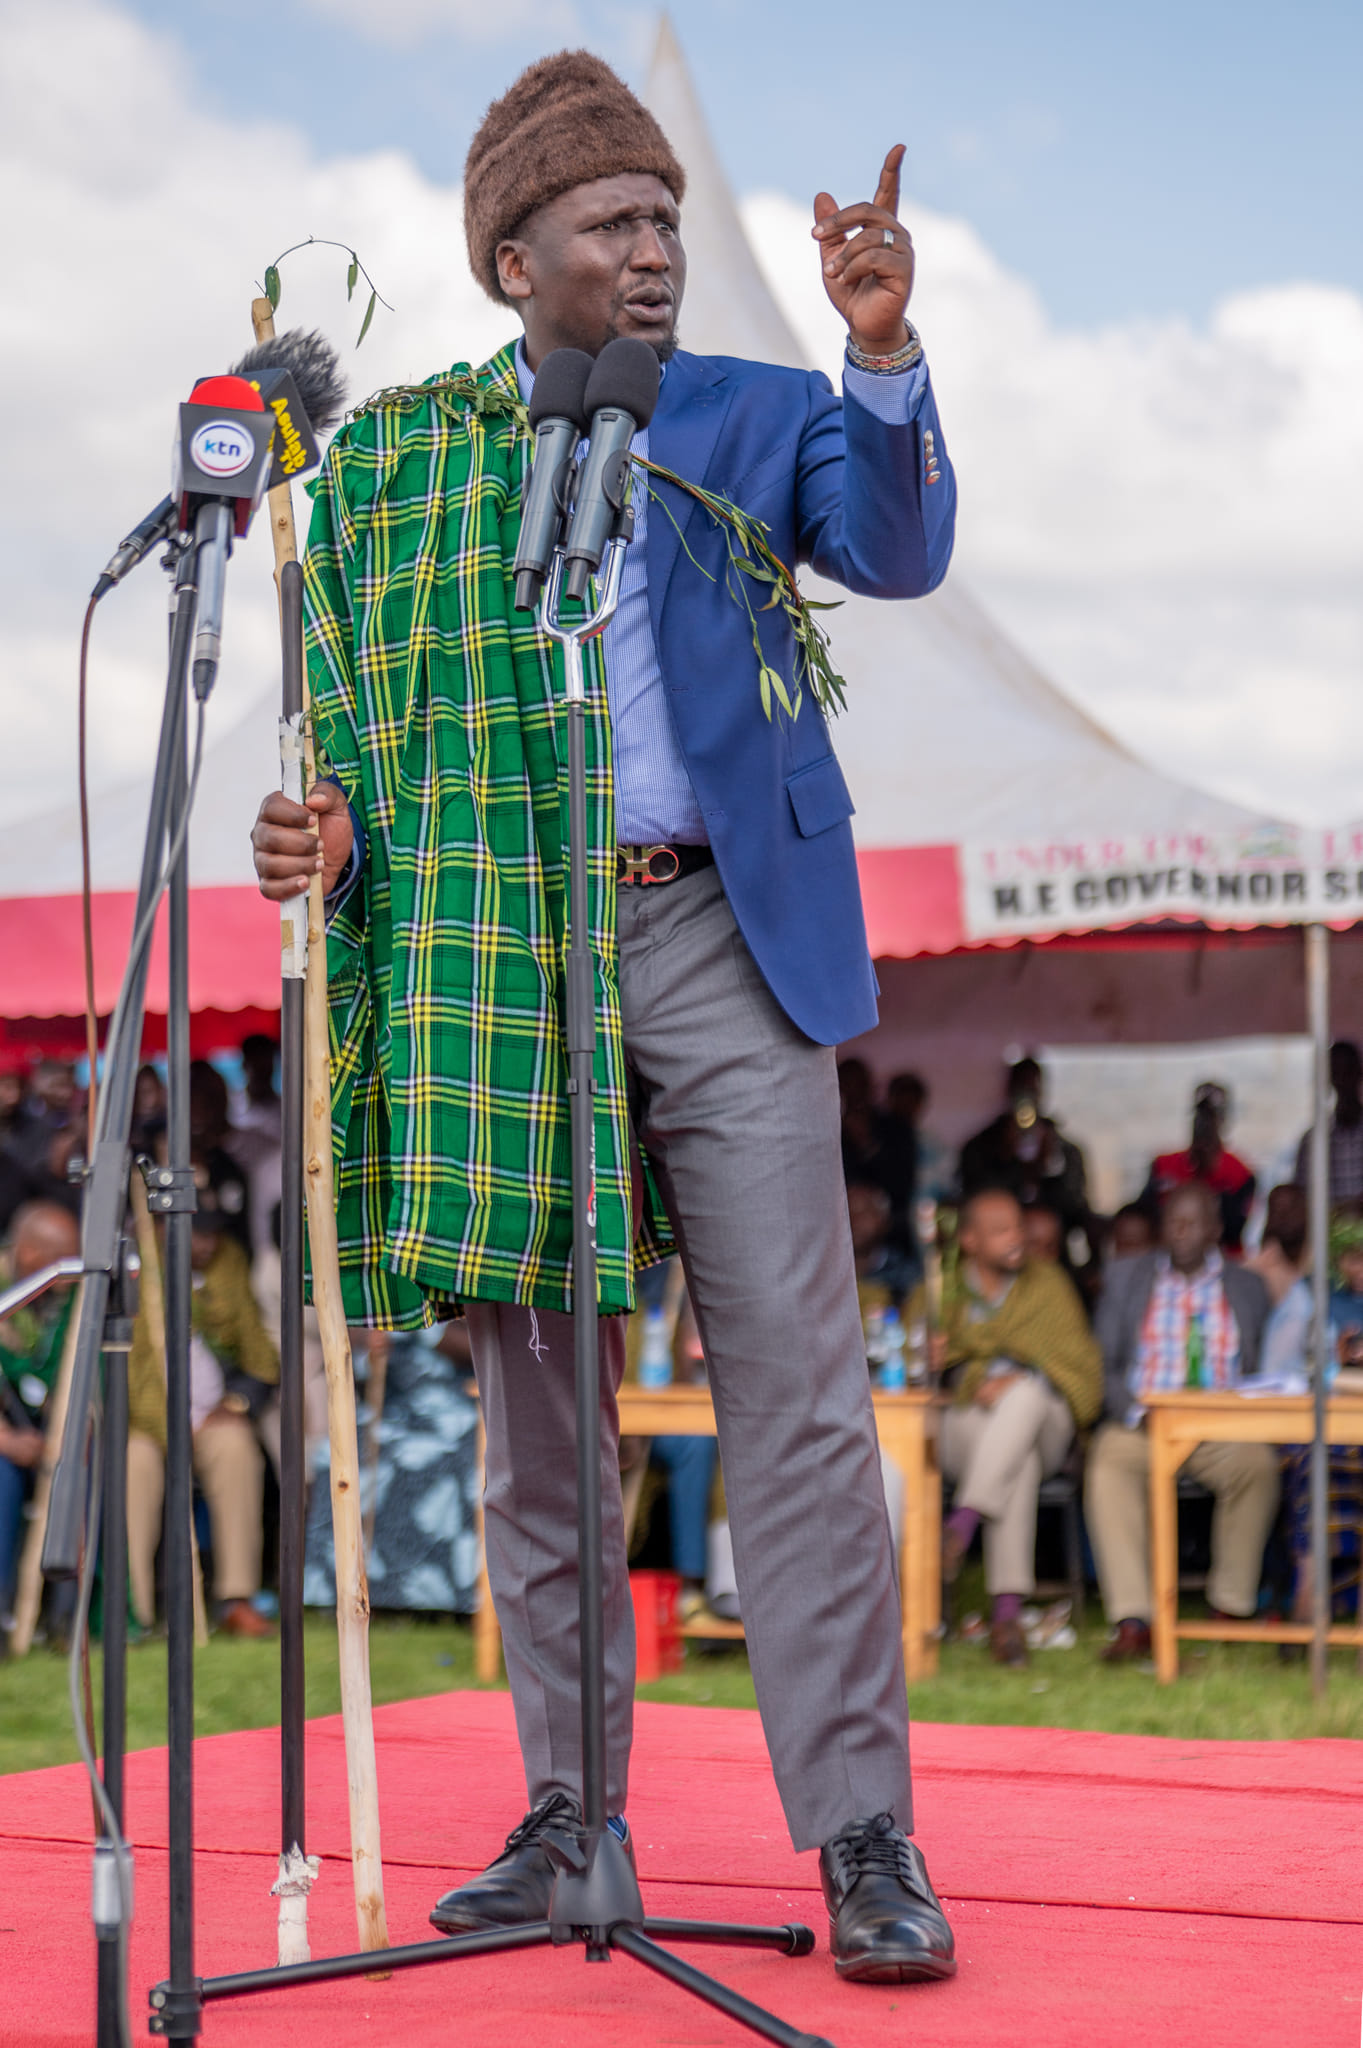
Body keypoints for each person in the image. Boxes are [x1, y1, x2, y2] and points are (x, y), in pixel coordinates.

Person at [250, 50, 957, 1985]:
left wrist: (880, 355)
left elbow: (895, 549)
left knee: (795, 1402)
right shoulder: (407, 469)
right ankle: (575, 1817)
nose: (654, 255)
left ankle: (863, 1835)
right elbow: (363, 730)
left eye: (662, 222)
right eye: (612, 227)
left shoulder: (755, 412)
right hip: (508, 950)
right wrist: (315, 832)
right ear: (510, 259)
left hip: (723, 935)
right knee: (539, 1413)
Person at [1085, 1182, 1277, 1662]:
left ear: (1216, 1229)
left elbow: (1263, 1370)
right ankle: (1134, 1620)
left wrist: (1236, 1413)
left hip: (1221, 1429)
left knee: (1258, 1468)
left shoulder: (1248, 1286)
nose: (1181, 1232)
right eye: (1173, 1222)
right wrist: (1136, 1411)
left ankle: (1228, 1611)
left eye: (1193, 1223)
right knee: (1107, 1463)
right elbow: (1103, 1365)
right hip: (1144, 1424)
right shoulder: (1127, 1276)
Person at [916, 1189, 1101, 1666]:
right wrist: (935, 1361)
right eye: (1001, 1231)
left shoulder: (1049, 1284)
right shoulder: (944, 1291)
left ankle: (960, 1525)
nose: (1017, 1238)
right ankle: (1006, 1620)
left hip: (1048, 1420)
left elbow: (1083, 1373)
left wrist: (1020, 1376)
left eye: (1018, 1226)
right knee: (1011, 1462)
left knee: (1025, 1397)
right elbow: (912, 1375)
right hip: (970, 1423)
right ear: (972, 1241)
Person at [126, 1208, 280, 1637]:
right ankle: (132, 1607)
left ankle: (237, 1599)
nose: (206, 1244)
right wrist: (170, 1423)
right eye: (196, 1234)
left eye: (212, 1234)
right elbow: (124, 1370)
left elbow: (259, 1356)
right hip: (140, 1421)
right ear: (160, 1228)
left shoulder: (228, 1266)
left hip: (210, 1416)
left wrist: (236, 1403)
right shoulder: (136, 1267)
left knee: (237, 1449)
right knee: (134, 1466)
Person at [0, 1203, 80, 1632]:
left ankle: (68, 1620)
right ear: (30, 1253)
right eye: (64, 1258)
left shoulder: (68, 1299)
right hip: (5, 1443)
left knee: (86, 1468)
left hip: (53, 1434)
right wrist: (6, 1440)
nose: (73, 1270)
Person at [958, 1057, 1088, 1233]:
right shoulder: (981, 1146)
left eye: (1032, 1088)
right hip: (999, 1237)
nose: (1027, 1096)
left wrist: (1047, 1163)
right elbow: (977, 1199)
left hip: (1049, 1241)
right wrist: (1007, 1158)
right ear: (1009, 1090)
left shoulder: (1062, 1147)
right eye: (1021, 1088)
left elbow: (1074, 1206)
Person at [1143, 1081, 1255, 1255]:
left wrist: (1207, 1173)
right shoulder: (1163, 1165)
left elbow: (1234, 1230)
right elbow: (1145, 1216)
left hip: (1223, 1264)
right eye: (1200, 1115)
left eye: (1212, 1116)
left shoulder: (1240, 1173)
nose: (1204, 1124)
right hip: (1169, 1259)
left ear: (1224, 1120)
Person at [1292, 1040, 1363, 1207]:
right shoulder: (1313, 1139)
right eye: (1336, 1072)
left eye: (1348, 1071)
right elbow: (1302, 1195)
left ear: (1359, 1073)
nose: (1342, 1079)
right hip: (1329, 1230)